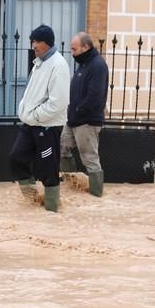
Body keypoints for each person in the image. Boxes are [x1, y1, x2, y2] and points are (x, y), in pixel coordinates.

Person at [9, 24, 70, 212]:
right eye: (32, 41)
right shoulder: (39, 63)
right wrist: (25, 112)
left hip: (47, 127)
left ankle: (52, 210)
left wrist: (35, 115)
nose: (33, 45)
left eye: (37, 41)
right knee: (16, 157)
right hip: (30, 124)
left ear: (48, 43)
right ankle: (32, 199)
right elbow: (31, 94)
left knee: (48, 168)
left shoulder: (58, 65)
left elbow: (58, 103)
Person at [60, 32, 109, 197]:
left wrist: (80, 109)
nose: (72, 53)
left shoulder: (97, 65)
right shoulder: (84, 64)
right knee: (62, 148)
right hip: (73, 119)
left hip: (87, 121)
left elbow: (95, 95)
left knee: (89, 157)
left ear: (85, 47)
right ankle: (73, 185)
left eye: (74, 49)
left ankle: (96, 194)